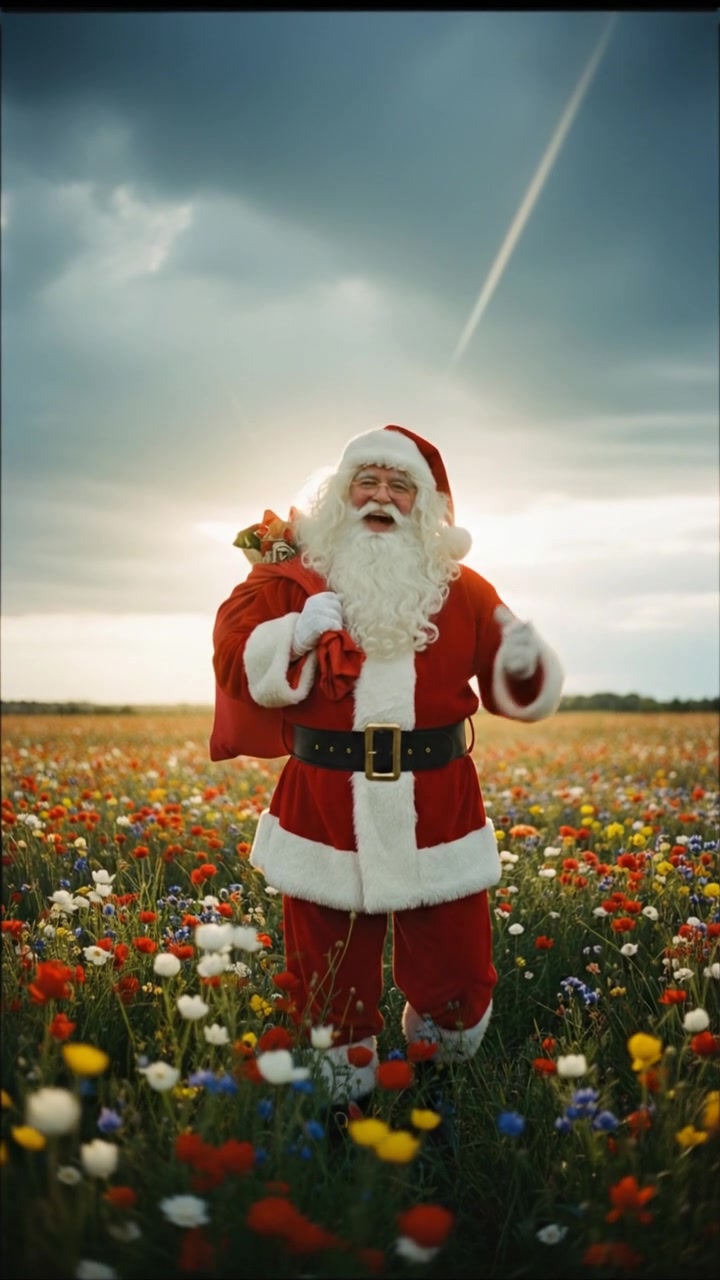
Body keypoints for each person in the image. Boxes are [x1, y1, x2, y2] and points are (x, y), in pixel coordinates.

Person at [211, 424, 564, 1107]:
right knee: (327, 966)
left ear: (424, 506)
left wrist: (524, 663)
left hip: (439, 799)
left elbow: (512, 674)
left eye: (399, 486)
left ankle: (441, 1088)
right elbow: (233, 654)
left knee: (456, 962)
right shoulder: (295, 578)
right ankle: (345, 1106)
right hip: (322, 798)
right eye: (366, 483)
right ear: (342, 497)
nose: (381, 497)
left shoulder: (463, 586)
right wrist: (297, 630)